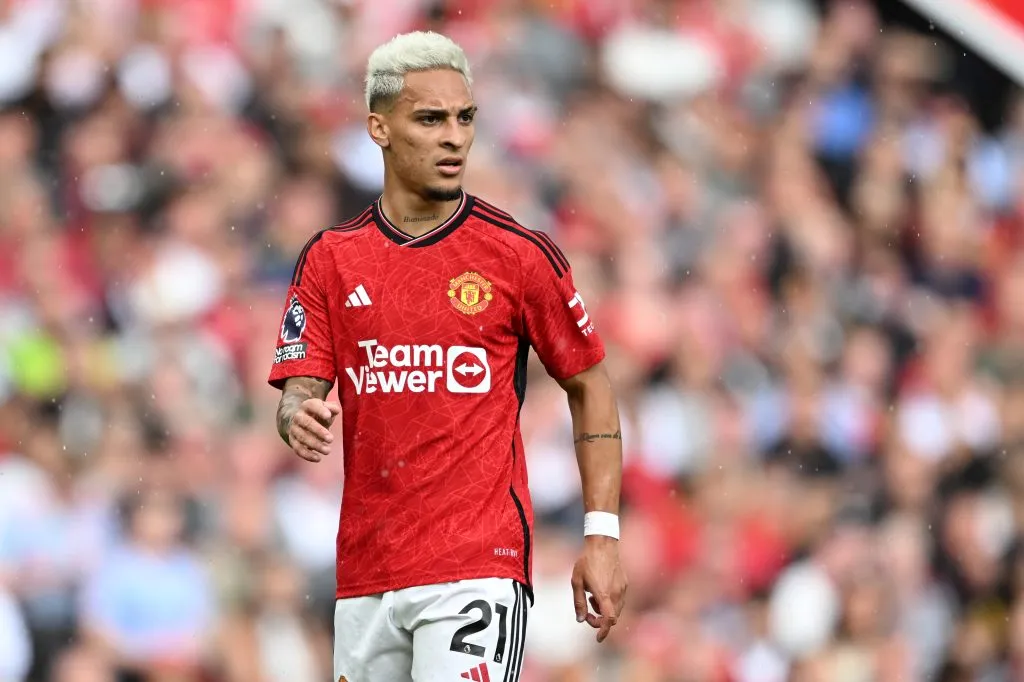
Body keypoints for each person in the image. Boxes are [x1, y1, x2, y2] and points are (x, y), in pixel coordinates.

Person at [268, 30, 627, 682]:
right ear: (378, 127)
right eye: (430, 119)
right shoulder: (329, 260)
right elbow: (299, 389)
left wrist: (601, 535)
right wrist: (299, 415)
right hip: (367, 571)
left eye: (465, 118)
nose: (454, 136)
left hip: (476, 568)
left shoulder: (517, 256)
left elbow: (590, 385)